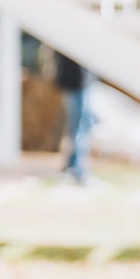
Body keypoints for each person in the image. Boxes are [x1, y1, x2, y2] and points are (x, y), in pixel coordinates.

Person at [52, 50, 96, 184]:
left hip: (79, 82)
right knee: (79, 127)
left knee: (79, 126)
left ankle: (72, 164)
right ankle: (76, 168)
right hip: (77, 83)